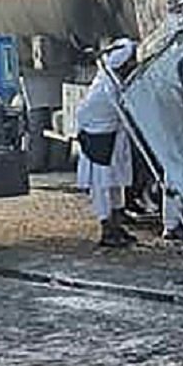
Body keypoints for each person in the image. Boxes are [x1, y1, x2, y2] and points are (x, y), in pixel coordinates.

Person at [76, 39, 138, 248]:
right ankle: (107, 231)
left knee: (116, 184)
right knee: (103, 187)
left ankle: (117, 226)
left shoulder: (111, 78)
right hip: (98, 141)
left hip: (114, 137)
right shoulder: (110, 86)